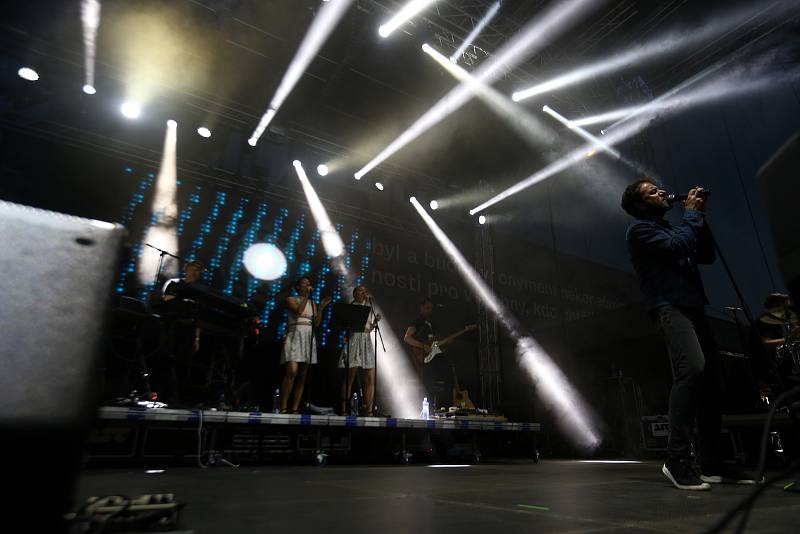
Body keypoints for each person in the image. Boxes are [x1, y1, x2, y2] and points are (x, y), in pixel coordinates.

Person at [622, 179, 755, 490]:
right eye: (651, 192)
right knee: (692, 368)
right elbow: (678, 247)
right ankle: (676, 458)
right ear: (640, 205)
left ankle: (712, 463)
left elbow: (705, 255)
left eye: (658, 187)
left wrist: (700, 218)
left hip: (694, 306)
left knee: (712, 383)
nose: (660, 191)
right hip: (669, 307)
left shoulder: (672, 227)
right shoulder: (640, 231)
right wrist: (692, 215)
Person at [279, 276, 331, 413]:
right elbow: (298, 311)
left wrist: (320, 308)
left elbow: (317, 324)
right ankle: (283, 406)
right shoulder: (291, 299)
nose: (308, 285)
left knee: (302, 375)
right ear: (298, 287)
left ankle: (295, 408)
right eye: (304, 283)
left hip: (308, 337)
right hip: (295, 335)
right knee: (292, 372)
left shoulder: (312, 303)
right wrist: (307, 296)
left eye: (309, 283)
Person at [338, 285, 381, 416]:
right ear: (355, 293)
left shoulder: (369, 307)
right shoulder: (351, 306)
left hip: (366, 340)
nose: (364, 293)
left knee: (370, 378)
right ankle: (344, 408)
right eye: (361, 291)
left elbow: (368, 328)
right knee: (350, 377)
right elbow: (347, 325)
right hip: (354, 340)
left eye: (364, 291)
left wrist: (375, 322)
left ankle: (369, 410)